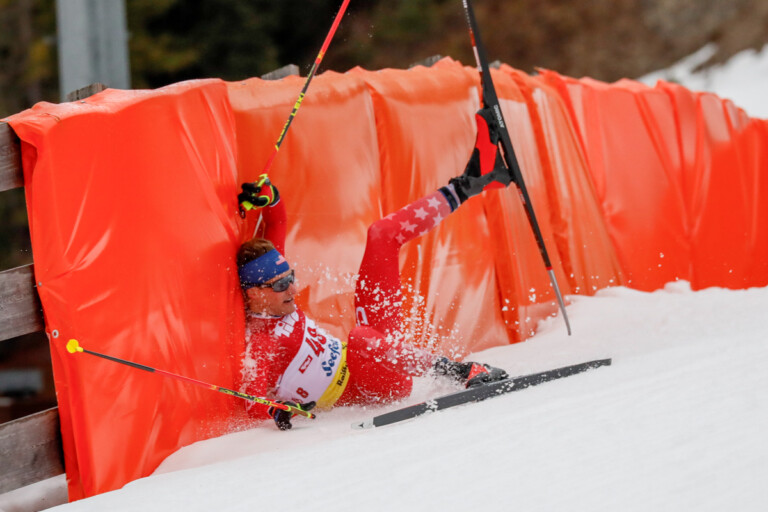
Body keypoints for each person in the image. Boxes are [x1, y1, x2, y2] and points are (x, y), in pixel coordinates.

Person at [237, 107, 512, 430]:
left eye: (292, 278)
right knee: (359, 337)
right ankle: (462, 371)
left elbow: (278, 219)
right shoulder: (263, 341)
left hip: (378, 354)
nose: (293, 290)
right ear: (256, 293)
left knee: (381, 235)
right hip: (370, 388)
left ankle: (474, 180)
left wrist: (268, 196)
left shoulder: (274, 288)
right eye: (282, 285)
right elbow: (252, 399)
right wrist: (277, 410)